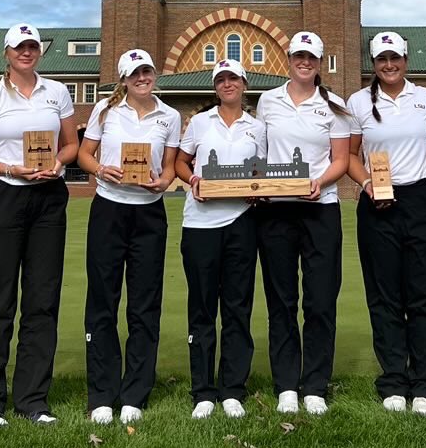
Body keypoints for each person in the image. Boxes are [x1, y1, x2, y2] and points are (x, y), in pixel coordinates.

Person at [0, 24, 79, 428]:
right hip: (5, 197)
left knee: (42, 300)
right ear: (7, 53)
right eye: (19, 48)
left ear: (39, 51)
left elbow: (71, 144)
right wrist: (12, 167)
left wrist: (59, 162)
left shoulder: (57, 92)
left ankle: (33, 400)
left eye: (32, 47)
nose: (26, 53)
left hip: (48, 197)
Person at [78, 49, 181, 425]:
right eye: (135, 73)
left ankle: (135, 392)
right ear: (123, 78)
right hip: (109, 209)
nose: (142, 78)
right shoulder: (105, 109)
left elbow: (170, 168)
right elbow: (84, 155)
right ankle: (103, 393)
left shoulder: (169, 116)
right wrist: (100, 169)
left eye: (147, 71)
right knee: (103, 301)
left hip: (149, 213)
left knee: (144, 304)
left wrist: (165, 181)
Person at [346, 32, 426, 416]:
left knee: (424, 294)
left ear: (406, 59)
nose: (389, 65)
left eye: (395, 58)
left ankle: (424, 382)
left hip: (421, 200)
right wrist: (367, 182)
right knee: (384, 295)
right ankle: (392, 380)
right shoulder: (357, 102)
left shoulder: (425, 99)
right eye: (382, 59)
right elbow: (352, 155)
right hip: (377, 204)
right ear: (374, 63)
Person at [255, 31, 350, 416]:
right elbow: (259, 154)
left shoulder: (334, 104)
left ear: (319, 60)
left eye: (311, 56)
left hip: (320, 206)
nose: (304, 62)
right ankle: (286, 386)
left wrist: (320, 182)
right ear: (289, 58)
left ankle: (315, 384)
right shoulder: (267, 101)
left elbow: (341, 159)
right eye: (299, 55)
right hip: (276, 210)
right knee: (281, 300)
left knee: (321, 299)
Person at [174, 59, 264, 420]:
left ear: (244, 84)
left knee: (237, 308)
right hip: (199, 226)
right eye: (221, 80)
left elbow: (260, 169)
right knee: (201, 309)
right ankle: (203, 392)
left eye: (234, 79)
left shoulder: (257, 127)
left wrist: (257, 189)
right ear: (215, 87)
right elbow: (182, 162)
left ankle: (232, 390)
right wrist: (192, 180)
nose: (228, 85)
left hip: (241, 222)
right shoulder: (199, 122)